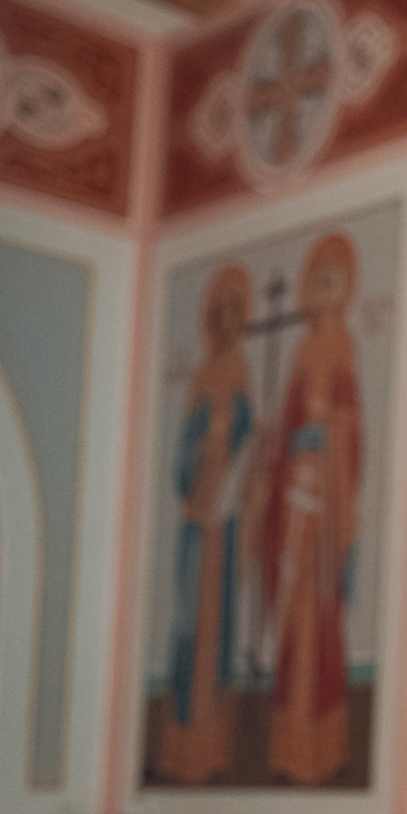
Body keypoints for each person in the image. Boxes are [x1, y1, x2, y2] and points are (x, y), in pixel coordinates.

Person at [255, 233, 362, 785]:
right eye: (318, 281)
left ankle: (320, 748)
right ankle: (287, 746)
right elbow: (291, 429)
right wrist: (288, 445)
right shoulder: (302, 352)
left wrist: (330, 432)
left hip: (325, 512)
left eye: (334, 282)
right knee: (293, 615)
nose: (325, 292)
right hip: (296, 504)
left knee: (321, 616)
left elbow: (351, 434)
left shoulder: (341, 347)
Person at [155, 263, 253, 784]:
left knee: (219, 626)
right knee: (190, 622)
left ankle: (212, 747)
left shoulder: (241, 373)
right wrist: (204, 440)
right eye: (225, 313)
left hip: (226, 522)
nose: (232, 323)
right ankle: (180, 744)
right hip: (199, 519)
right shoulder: (203, 376)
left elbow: (250, 441)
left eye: (240, 314)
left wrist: (238, 440)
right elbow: (181, 459)